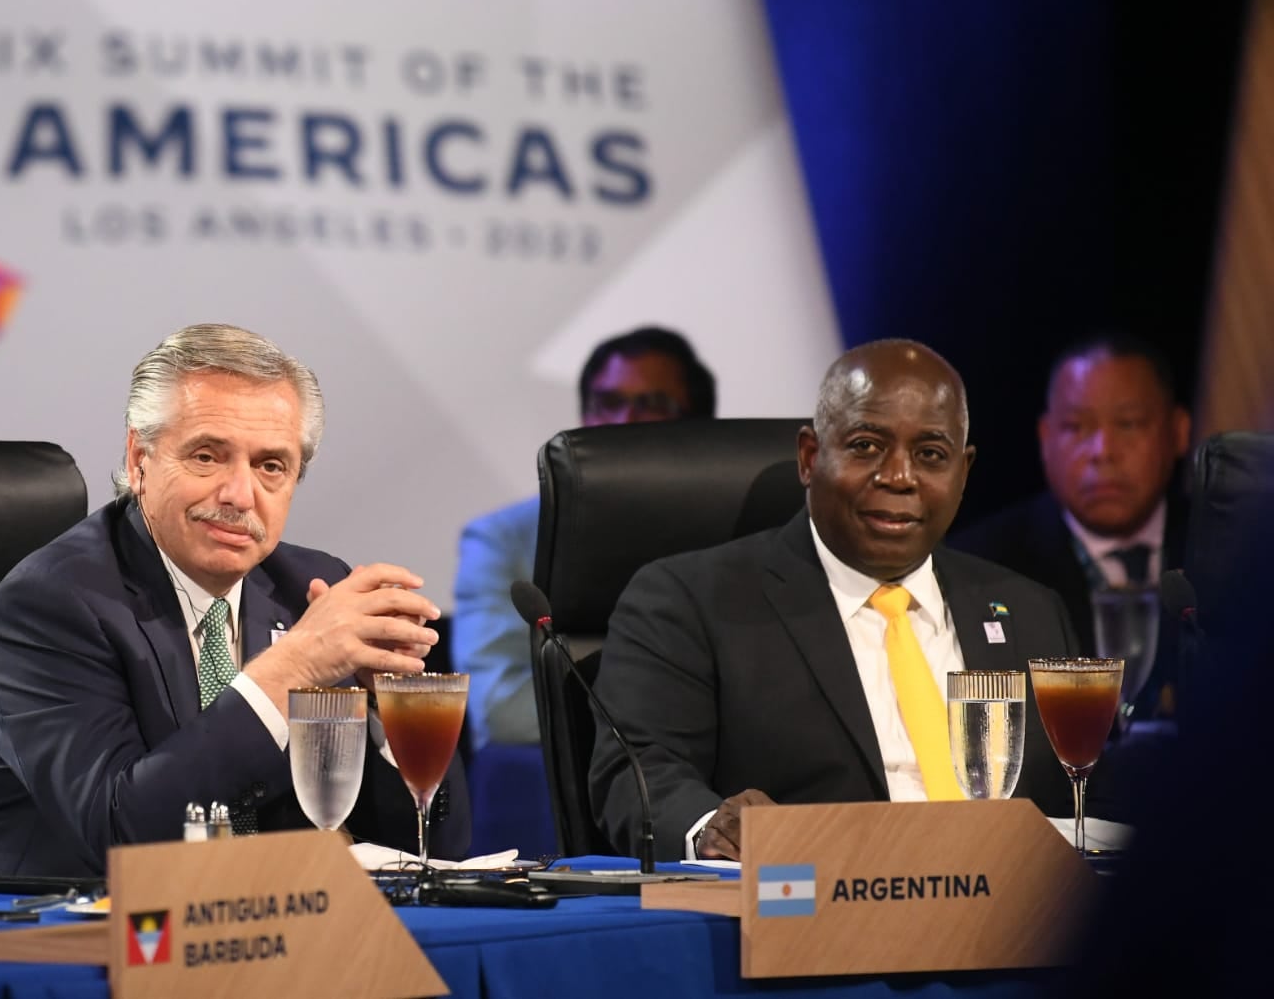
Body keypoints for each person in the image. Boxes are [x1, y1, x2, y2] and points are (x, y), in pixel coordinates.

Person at [0, 324, 469, 883]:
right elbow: (125, 838)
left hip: (245, 931)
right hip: (15, 933)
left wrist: (392, 723)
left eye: (270, 466)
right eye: (207, 456)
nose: (239, 494)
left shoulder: (310, 586)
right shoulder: (53, 603)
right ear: (139, 460)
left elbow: (436, 848)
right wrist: (292, 668)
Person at [588, 339, 1081, 862]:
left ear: (964, 471)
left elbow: (1088, 787)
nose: (898, 477)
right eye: (866, 446)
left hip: (1018, 921)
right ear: (810, 457)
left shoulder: (1029, 611)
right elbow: (639, 773)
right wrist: (712, 826)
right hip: (809, 912)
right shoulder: (688, 601)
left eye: (930, 455)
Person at [452, 327, 717, 750]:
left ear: (697, 425)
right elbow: (500, 708)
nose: (623, 422)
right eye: (608, 403)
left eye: (652, 405)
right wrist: (675, 717)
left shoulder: (733, 535)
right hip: (549, 792)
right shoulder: (502, 539)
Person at [950, 333, 1191, 717]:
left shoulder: (1234, 552)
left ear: (1178, 432)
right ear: (1045, 440)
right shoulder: (977, 570)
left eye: (1128, 424)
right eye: (1076, 427)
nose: (1102, 452)